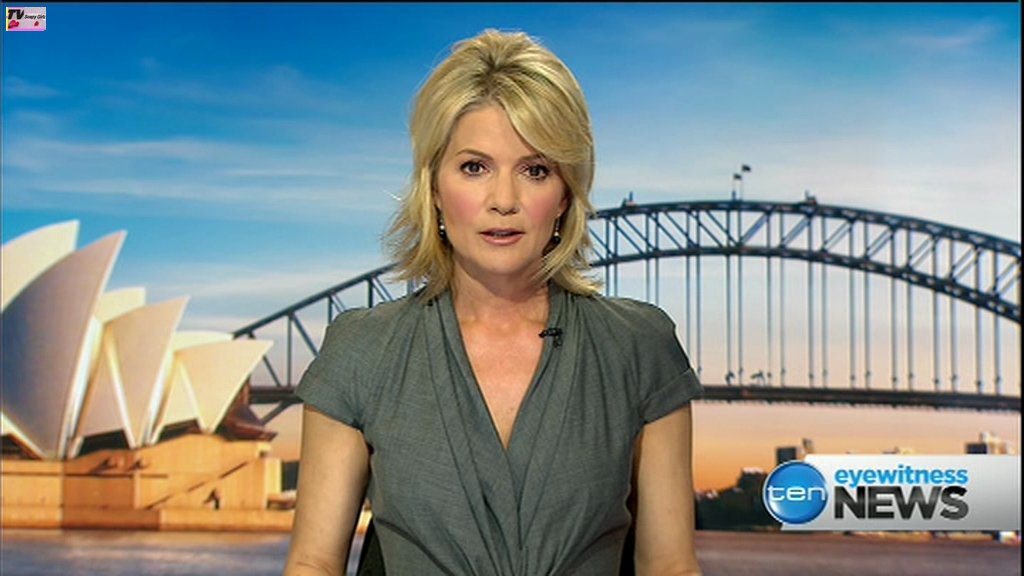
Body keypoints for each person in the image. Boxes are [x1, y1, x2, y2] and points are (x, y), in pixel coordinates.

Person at [284, 29, 703, 576]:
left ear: (566, 194)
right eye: (474, 167)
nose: (504, 200)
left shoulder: (638, 347)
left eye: (535, 170)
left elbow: (670, 566)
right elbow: (313, 563)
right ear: (434, 187)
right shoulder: (361, 351)